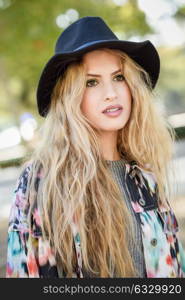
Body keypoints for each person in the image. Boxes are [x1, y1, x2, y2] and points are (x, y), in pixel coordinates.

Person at [6, 16, 185, 278]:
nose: (111, 92)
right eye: (92, 82)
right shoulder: (42, 181)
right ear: (70, 98)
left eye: (119, 77)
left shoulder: (144, 177)